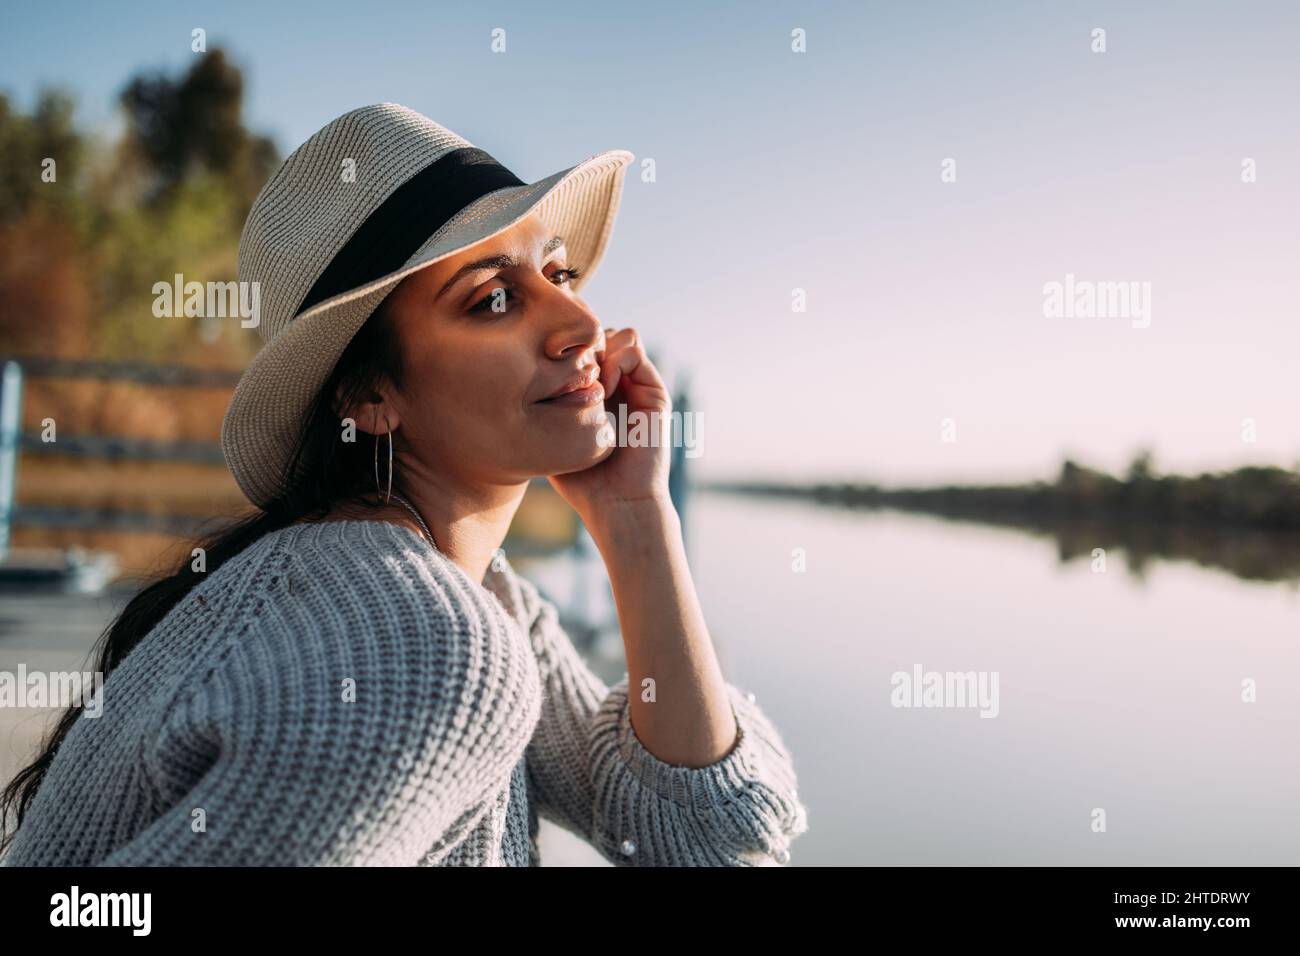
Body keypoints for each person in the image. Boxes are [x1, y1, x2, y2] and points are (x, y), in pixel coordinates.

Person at [0, 104, 807, 866]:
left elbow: (708, 838)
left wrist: (637, 518)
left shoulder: (480, 602)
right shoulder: (418, 644)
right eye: (494, 299)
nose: (583, 325)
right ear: (369, 396)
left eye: (559, 273)